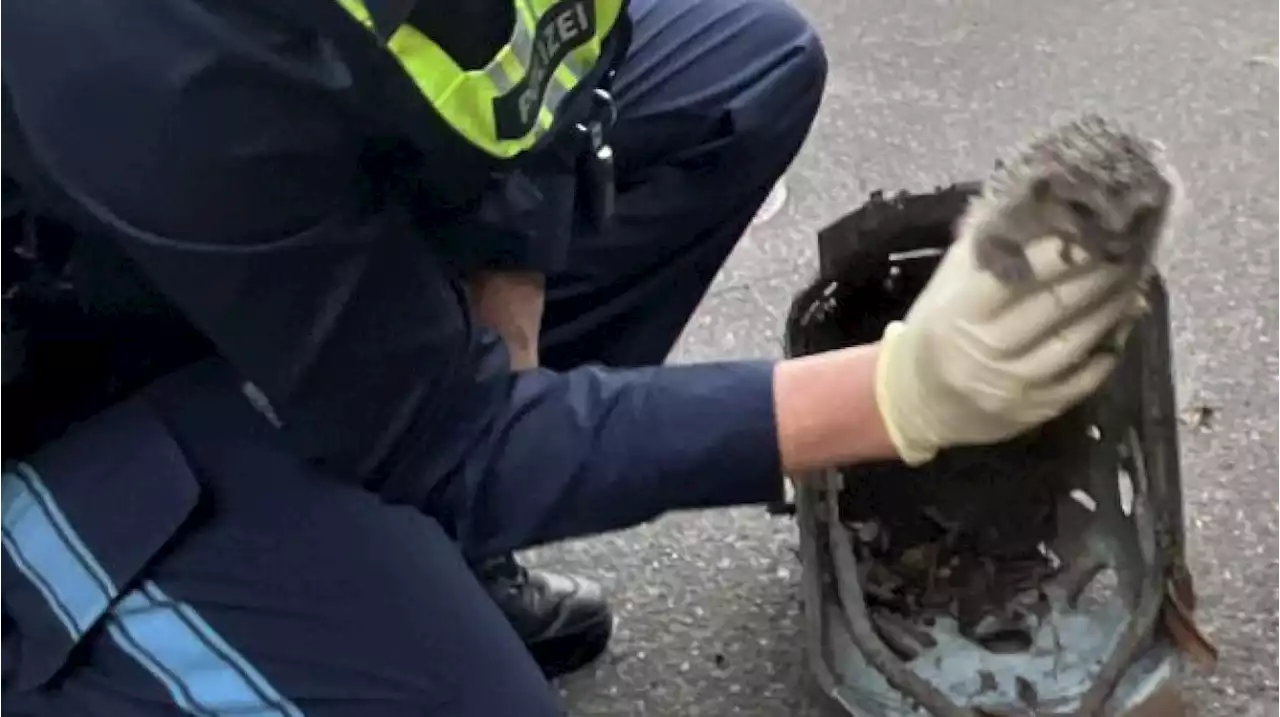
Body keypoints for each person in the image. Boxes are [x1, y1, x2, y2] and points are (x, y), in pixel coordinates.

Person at [0, 0, 1149, 714]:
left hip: (255, 226)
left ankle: (417, 534)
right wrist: (898, 397)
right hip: (68, 389)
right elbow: (434, 434)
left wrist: (511, 286)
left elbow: (544, 66)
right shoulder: (129, 35)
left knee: (741, 72)